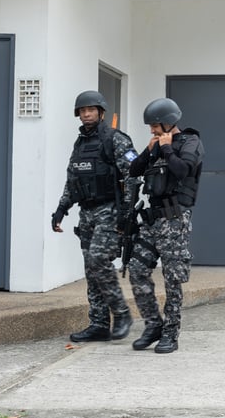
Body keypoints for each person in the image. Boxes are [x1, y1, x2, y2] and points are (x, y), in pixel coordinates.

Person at [51, 91, 138, 343]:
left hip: (110, 210)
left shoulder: (116, 140)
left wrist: (126, 213)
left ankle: (121, 313)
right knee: (91, 268)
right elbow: (72, 179)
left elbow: (132, 176)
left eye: (91, 110)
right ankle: (99, 323)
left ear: (101, 112)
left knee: (99, 260)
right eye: (82, 110)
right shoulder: (79, 144)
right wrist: (61, 209)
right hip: (86, 212)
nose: (86, 114)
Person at [128, 98, 204, 353]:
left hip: (175, 220)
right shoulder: (156, 144)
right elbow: (133, 170)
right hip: (152, 220)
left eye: (155, 125)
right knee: (136, 268)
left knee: (172, 279)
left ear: (169, 122)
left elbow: (183, 171)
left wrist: (168, 149)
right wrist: (149, 151)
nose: (152, 130)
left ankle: (171, 332)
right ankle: (153, 325)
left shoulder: (191, 142)